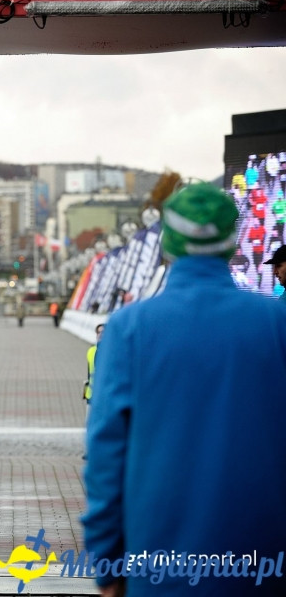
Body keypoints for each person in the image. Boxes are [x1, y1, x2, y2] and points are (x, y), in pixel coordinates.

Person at [82, 183, 286, 596]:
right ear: (232, 244)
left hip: (159, 561)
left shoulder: (129, 329)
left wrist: (107, 564)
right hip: (263, 560)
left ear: (168, 246)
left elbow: (105, 456)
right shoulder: (275, 324)